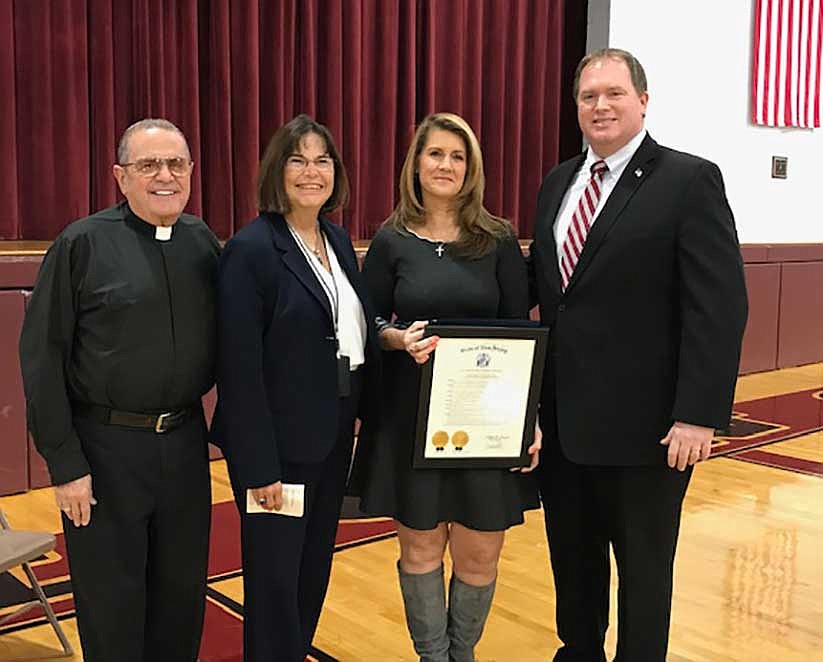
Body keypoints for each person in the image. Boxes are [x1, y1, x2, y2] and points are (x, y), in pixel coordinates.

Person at [528, 48, 748, 661]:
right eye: (587, 96)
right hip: (565, 428)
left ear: (643, 101)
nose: (600, 106)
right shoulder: (557, 184)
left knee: (645, 576)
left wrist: (699, 414)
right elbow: (551, 294)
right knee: (574, 566)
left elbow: (719, 306)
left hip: (649, 434)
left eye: (613, 93)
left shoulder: (689, 180)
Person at [18, 118, 220, 661]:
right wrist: (65, 466)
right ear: (120, 176)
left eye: (176, 164)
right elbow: (43, 357)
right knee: (111, 605)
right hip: (104, 451)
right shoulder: (81, 243)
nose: (165, 176)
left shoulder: (202, 242)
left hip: (182, 444)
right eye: (148, 164)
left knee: (181, 598)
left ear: (191, 173)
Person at [351, 112, 541, 662]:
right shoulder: (391, 240)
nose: (446, 166)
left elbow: (519, 333)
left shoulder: (499, 239)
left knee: (481, 552)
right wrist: (393, 339)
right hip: (412, 419)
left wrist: (529, 420)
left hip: (487, 421)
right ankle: (433, 657)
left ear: (472, 169)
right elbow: (371, 321)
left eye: (458, 157)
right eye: (435, 154)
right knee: (422, 549)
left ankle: (464, 654)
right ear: (417, 162)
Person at [212, 114, 379, 662]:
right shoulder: (252, 249)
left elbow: (347, 329)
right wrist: (260, 468)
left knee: (311, 573)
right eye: (298, 159)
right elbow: (238, 370)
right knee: (275, 585)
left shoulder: (333, 238)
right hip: (278, 450)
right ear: (276, 171)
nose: (312, 171)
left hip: (331, 438)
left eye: (323, 159)